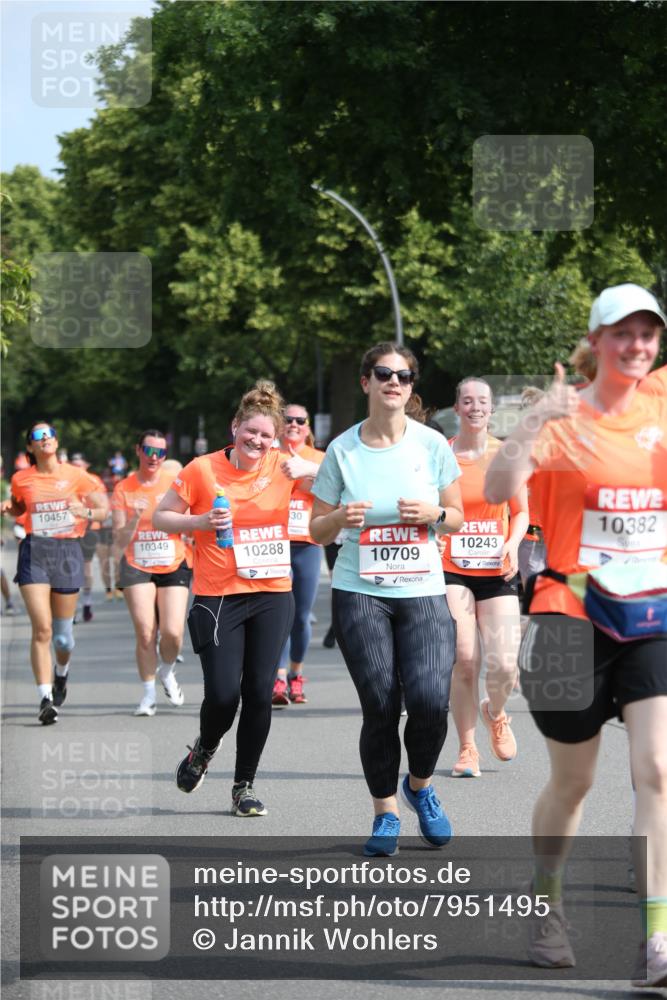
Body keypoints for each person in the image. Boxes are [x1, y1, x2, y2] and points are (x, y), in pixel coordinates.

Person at [484, 282, 667, 987]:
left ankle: (656, 938)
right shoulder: (559, 420)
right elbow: (501, 489)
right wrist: (531, 423)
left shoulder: (661, 411)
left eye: (647, 334)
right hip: (565, 617)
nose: (636, 346)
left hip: (650, 615)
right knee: (572, 781)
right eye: (622, 333)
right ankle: (547, 903)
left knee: (655, 770)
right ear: (594, 341)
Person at [310, 343, 463, 857]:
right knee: (380, 706)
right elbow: (314, 528)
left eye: (404, 375)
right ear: (366, 383)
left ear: (411, 386)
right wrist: (338, 521)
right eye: (383, 373)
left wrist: (434, 513)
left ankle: (418, 787)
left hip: (423, 590)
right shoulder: (342, 451)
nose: (393, 381)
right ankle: (385, 814)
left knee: (429, 703)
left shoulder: (431, 444)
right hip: (360, 591)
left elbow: (458, 515)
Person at [153, 381, 297, 817]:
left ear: (276, 440)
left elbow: (336, 487)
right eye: (249, 432)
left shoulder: (287, 467)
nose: (257, 441)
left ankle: (244, 786)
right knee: (221, 695)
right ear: (235, 427)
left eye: (266, 436)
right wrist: (199, 520)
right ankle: (204, 749)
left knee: (258, 691)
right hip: (219, 596)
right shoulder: (202, 469)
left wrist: (310, 476)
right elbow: (161, 516)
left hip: (272, 593)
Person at [440, 377, 528, 778]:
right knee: (465, 658)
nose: (475, 407)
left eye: (483, 401)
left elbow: (522, 511)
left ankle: (495, 710)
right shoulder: (440, 455)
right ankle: (467, 748)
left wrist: (512, 543)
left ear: (492, 410)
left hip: (496, 568)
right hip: (451, 568)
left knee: (505, 665)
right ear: (457, 408)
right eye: (467, 401)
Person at [0, 422, 107, 723]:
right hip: (34, 551)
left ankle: (61, 673)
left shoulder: (77, 476)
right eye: (37, 436)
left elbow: (102, 510)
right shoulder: (22, 478)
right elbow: (21, 507)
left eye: (49, 435)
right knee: (42, 629)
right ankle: (45, 697)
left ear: (56, 442)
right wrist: (11, 507)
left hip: (67, 553)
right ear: (30, 447)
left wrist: (84, 512)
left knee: (62, 640)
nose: (44, 439)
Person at [112, 430, 191, 716]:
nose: (154, 457)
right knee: (146, 632)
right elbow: (119, 539)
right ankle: (148, 696)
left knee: (172, 633)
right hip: (137, 565)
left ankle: (167, 671)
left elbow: (189, 520)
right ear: (138, 451)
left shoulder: (174, 484)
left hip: (173, 562)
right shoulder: (124, 488)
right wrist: (135, 516)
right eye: (149, 450)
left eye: (160, 452)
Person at [272, 405, 325, 706]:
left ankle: (296, 674)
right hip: (275, 543)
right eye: (287, 419)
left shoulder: (318, 459)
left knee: (302, 615)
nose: (293, 424)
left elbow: (330, 490)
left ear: (307, 427)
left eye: (299, 420)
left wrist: (303, 473)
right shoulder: (268, 456)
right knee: (282, 612)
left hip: (307, 542)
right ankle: (277, 677)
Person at [70, 453, 104, 622]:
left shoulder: (94, 481)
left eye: (79, 465)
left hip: (90, 527)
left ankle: (87, 601)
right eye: (73, 465)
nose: (77, 468)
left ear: (86, 466)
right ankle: (71, 607)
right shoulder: (66, 481)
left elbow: (103, 505)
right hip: (70, 528)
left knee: (86, 567)